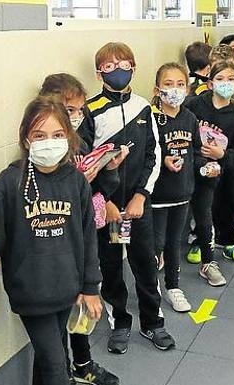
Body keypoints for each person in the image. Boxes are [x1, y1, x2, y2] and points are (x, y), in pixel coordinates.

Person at [0, 96, 103, 385]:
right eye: (40, 135)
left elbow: (87, 239)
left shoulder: (76, 181)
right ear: (26, 138)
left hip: (67, 288)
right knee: (57, 365)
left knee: (49, 357)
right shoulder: (9, 183)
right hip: (31, 292)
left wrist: (90, 287)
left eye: (58, 135)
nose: (50, 142)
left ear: (69, 137)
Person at [78, 42, 176, 355]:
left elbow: (154, 155)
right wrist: (102, 201)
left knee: (145, 266)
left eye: (123, 63)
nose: (117, 69)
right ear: (98, 73)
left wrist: (141, 197)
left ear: (134, 66)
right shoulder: (90, 112)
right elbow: (84, 163)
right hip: (105, 211)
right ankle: (119, 322)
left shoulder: (145, 107)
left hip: (137, 209)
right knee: (110, 269)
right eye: (109, 65)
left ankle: (153, 322)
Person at [38, 73, 121, 385]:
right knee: (60, 314)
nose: (75, 117)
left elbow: (98, 187)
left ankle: (83, 361)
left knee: (85, 301)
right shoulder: (40, 151)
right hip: (57, 241)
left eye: (79, 110)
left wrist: (108, 170)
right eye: (68, 109)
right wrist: (76, 185)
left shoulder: (81, 143)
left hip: (84, 234)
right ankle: (62, 369)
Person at [184, 59, 234, 267]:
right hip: (199, 170)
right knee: (202, 208)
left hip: (227, 174)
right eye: (220, 79)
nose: (226, 83)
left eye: (231, 79)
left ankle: (229, 242)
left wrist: (221, 154)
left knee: (227, 205)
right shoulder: (195, 105)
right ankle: (200, 241)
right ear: (210, 83)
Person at [150, 62, 203, 311]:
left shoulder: (190, 118)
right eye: (168, 84)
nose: (175, 90)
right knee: (155, 244)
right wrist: (163, 162)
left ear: (188, 87)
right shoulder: (151, 119)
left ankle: (173, 286)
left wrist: (208, 165)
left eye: (180, 84)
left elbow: (195, 153)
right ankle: (151, 291)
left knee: (174, 244)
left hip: (182, 195)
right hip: (157, 197)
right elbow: (146, 156)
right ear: (157, 89)